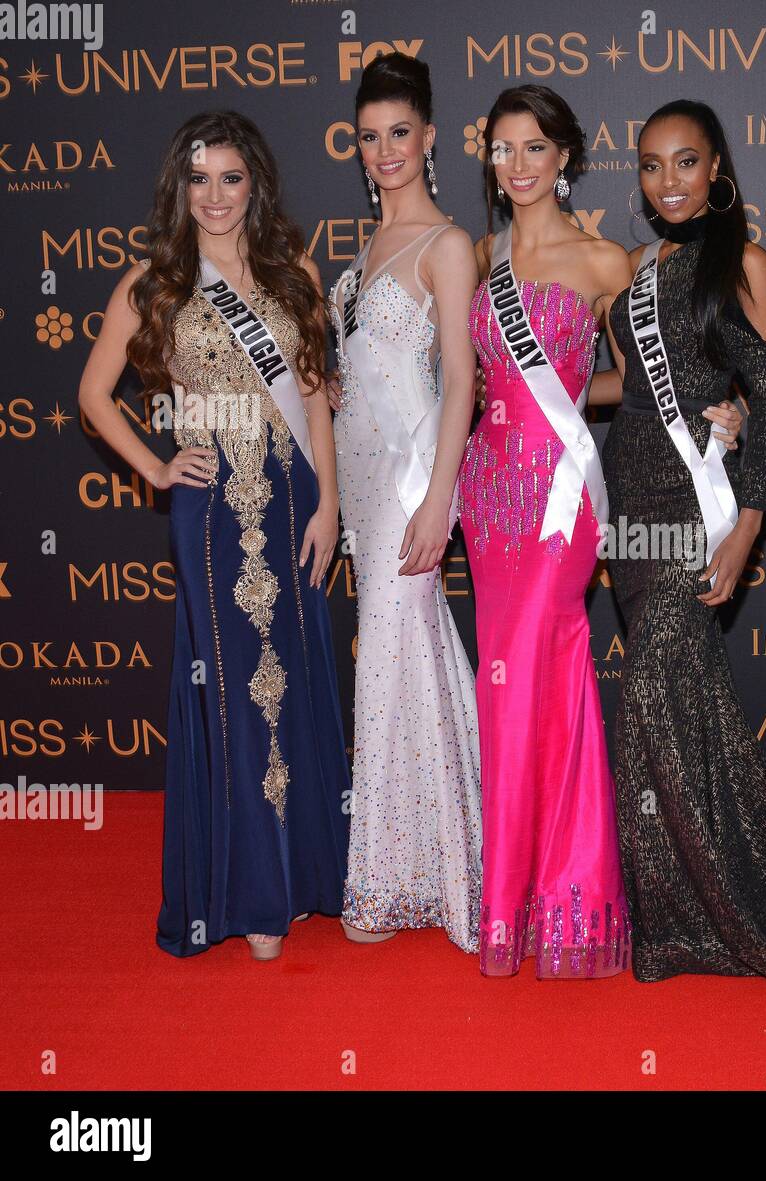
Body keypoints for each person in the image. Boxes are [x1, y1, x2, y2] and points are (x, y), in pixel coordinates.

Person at [78, 111, 349, 961]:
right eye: (200, 179)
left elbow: (311, 391)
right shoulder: (154, 281)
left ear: (254, 184)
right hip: (211, 510)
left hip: (292, 491)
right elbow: (93, 396)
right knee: (233, 691)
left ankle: (308, 875)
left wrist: (329, 502)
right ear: (180, 186)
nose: (216, 196)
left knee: (299, 677)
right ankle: (253, 893)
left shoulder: (290, 268)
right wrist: (156, 468)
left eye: (231, 178)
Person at [601, 100, 766, 983]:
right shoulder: (633, 267)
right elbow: (625, 390)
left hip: (697, 506)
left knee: (656, 689)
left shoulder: (744, 261)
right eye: (653, 165)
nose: (669, 181)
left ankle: (706, 905)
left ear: (717, 169)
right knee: (682, 695)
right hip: (631, 495)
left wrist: (746, 528)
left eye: (686, 162)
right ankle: (695, 883)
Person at [459, 85, 633, 978]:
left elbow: (640, 384)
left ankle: (553, 900)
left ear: (565, 156)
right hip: (485, 496)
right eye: (502, 150)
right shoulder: (483, 256)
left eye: (534, 148)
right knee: (515, 687)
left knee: (535, 669)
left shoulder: (606, 264)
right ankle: (522, 900)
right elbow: (467, 379)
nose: (518, 166)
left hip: (562, 499)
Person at [327, 52, 482, 948]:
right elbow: (373, 368)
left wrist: (438, 502)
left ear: (427, 138)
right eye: (368, 137)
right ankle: (442, 850)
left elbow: (460, 382)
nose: (384, 151)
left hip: (411, 484)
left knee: (390, 659)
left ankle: (392, 876)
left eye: (398, 134)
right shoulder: (359, 250)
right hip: (359, 482)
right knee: (403, 658)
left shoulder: (448, 244)